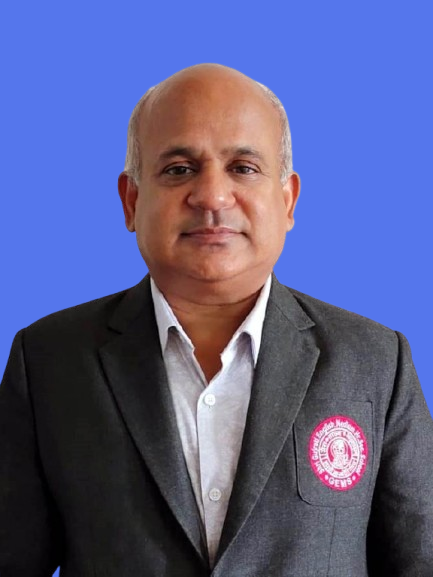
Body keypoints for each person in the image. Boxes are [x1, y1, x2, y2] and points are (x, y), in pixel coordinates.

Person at [1, 63, 432, 577]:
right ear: (132, 201)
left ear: (288, 200)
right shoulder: (49, 360)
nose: (211, 196)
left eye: (243, 168)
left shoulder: (375, 362)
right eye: (179, 169)